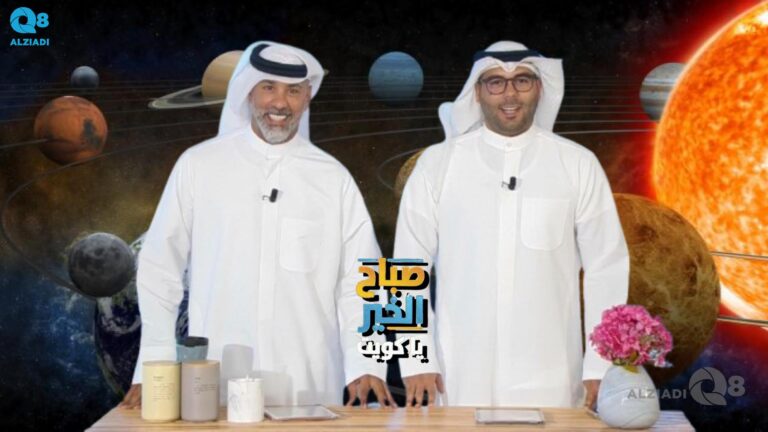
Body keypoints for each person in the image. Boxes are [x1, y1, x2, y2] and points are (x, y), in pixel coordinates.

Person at [120, 41, 392, 409]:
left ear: (307, 98)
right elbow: (158, 268)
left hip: (308, 383)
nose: (280, 103)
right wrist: (154, 363)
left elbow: (364, 279)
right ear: (249, 92)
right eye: (268, 88)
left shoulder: (333, 179)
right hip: (216, 383)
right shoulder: (199, 166)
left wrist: (366, 364)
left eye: (293, 91)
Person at [394, 41, 629, 409]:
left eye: (522, 80)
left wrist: (602, 365)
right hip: (458, 372)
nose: (510, 94)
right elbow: (402, 266)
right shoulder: (436, 165)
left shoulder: (578, 164)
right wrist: (413, 358)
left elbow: (607, 268)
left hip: (551, 373)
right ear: (477, 92)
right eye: (495, 82)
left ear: (540, 88)